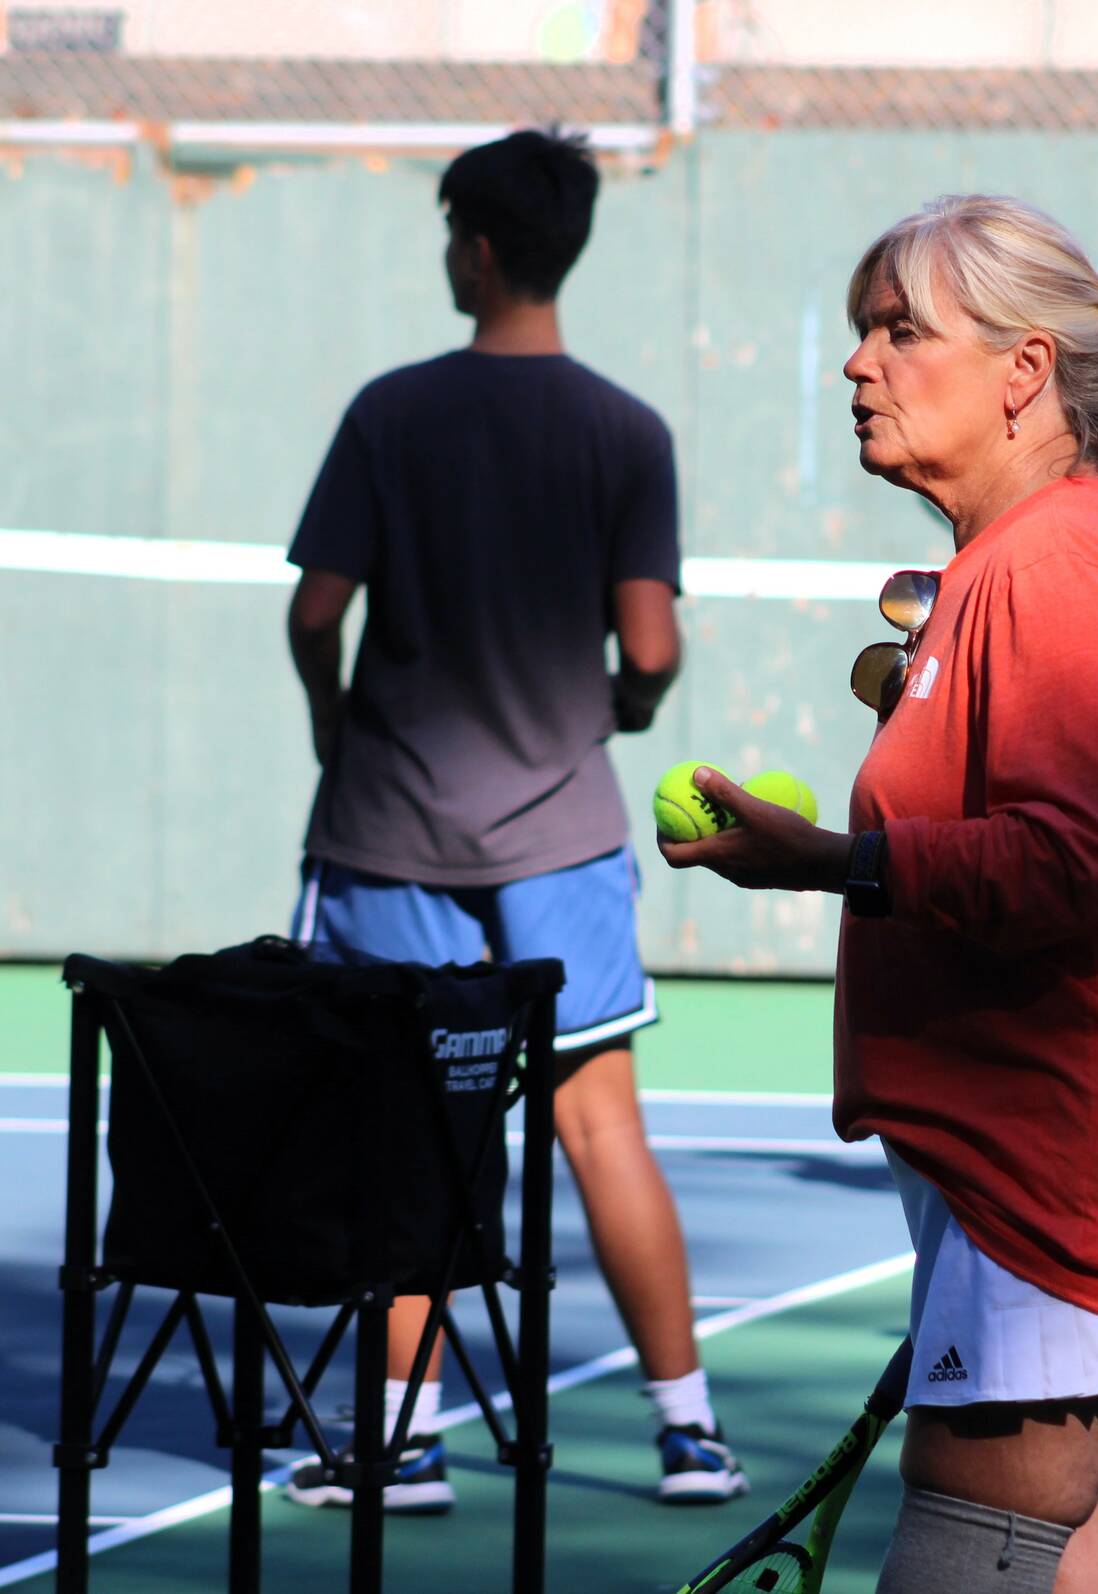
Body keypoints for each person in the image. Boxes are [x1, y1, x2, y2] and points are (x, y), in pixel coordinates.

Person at [659, 195, 1098, 1594]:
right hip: (1091, 1170)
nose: (857, 365)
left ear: (1024, 371)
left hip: (1065, 1181)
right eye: (861, 331)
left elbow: (1083, 855)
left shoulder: (1055, 562)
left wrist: (835, 859)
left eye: (899, 331)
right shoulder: (1039, 556)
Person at [280, 129, 745, 1512]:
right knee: (604, 1128)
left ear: (477, 250)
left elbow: (316, 612)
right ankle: (688, 1433)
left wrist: (331, 724)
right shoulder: (626, 430)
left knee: (414, 1143)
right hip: (564, 839)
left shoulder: (390, 413)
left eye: (447, 238)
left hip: (388, 838)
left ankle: (403, 1444)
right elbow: (650, 648)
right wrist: (621, 710)